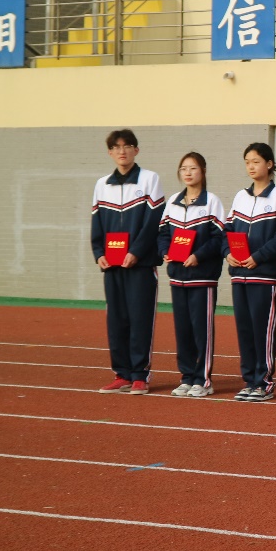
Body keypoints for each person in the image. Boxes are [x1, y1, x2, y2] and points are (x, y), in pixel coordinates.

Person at [91, 130, 165, 394]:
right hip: (112, 265)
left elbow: (153, 221)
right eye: (116, 147)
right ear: (110, 152)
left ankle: (140, 375)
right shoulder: (102, 184)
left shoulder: (149, 179)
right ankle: (121, 373)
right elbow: (97, 222)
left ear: (136, 150)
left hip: (140, 265)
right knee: (117, 320)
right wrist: (98, 252)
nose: (122, 151)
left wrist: (136, 252)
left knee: (140, 318)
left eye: (127, 146)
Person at [223, 142, 276, 402]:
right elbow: (227, 231)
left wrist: (258, 257)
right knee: (244, 329)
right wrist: (227, 253)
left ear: (269, 164)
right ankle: (249, 380)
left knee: (262, 329)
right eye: (247, 162)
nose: (251, 167)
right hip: (239, 274)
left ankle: (263, 382)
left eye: (256, 161)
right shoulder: (240, 197)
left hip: (264, 274)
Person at [158, 152, 226, 398]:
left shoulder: (212, 202)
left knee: (201, 330)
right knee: (183, 330)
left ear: (203, 171)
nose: (188, 173)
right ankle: (187, 377)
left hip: (202, 277)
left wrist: (198, 255)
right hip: (177, 276)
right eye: (183, 168)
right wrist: (165, 251)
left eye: (193, 168)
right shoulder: (173, 202)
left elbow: (219, 238)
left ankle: (203, 379)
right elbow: (163, 233)